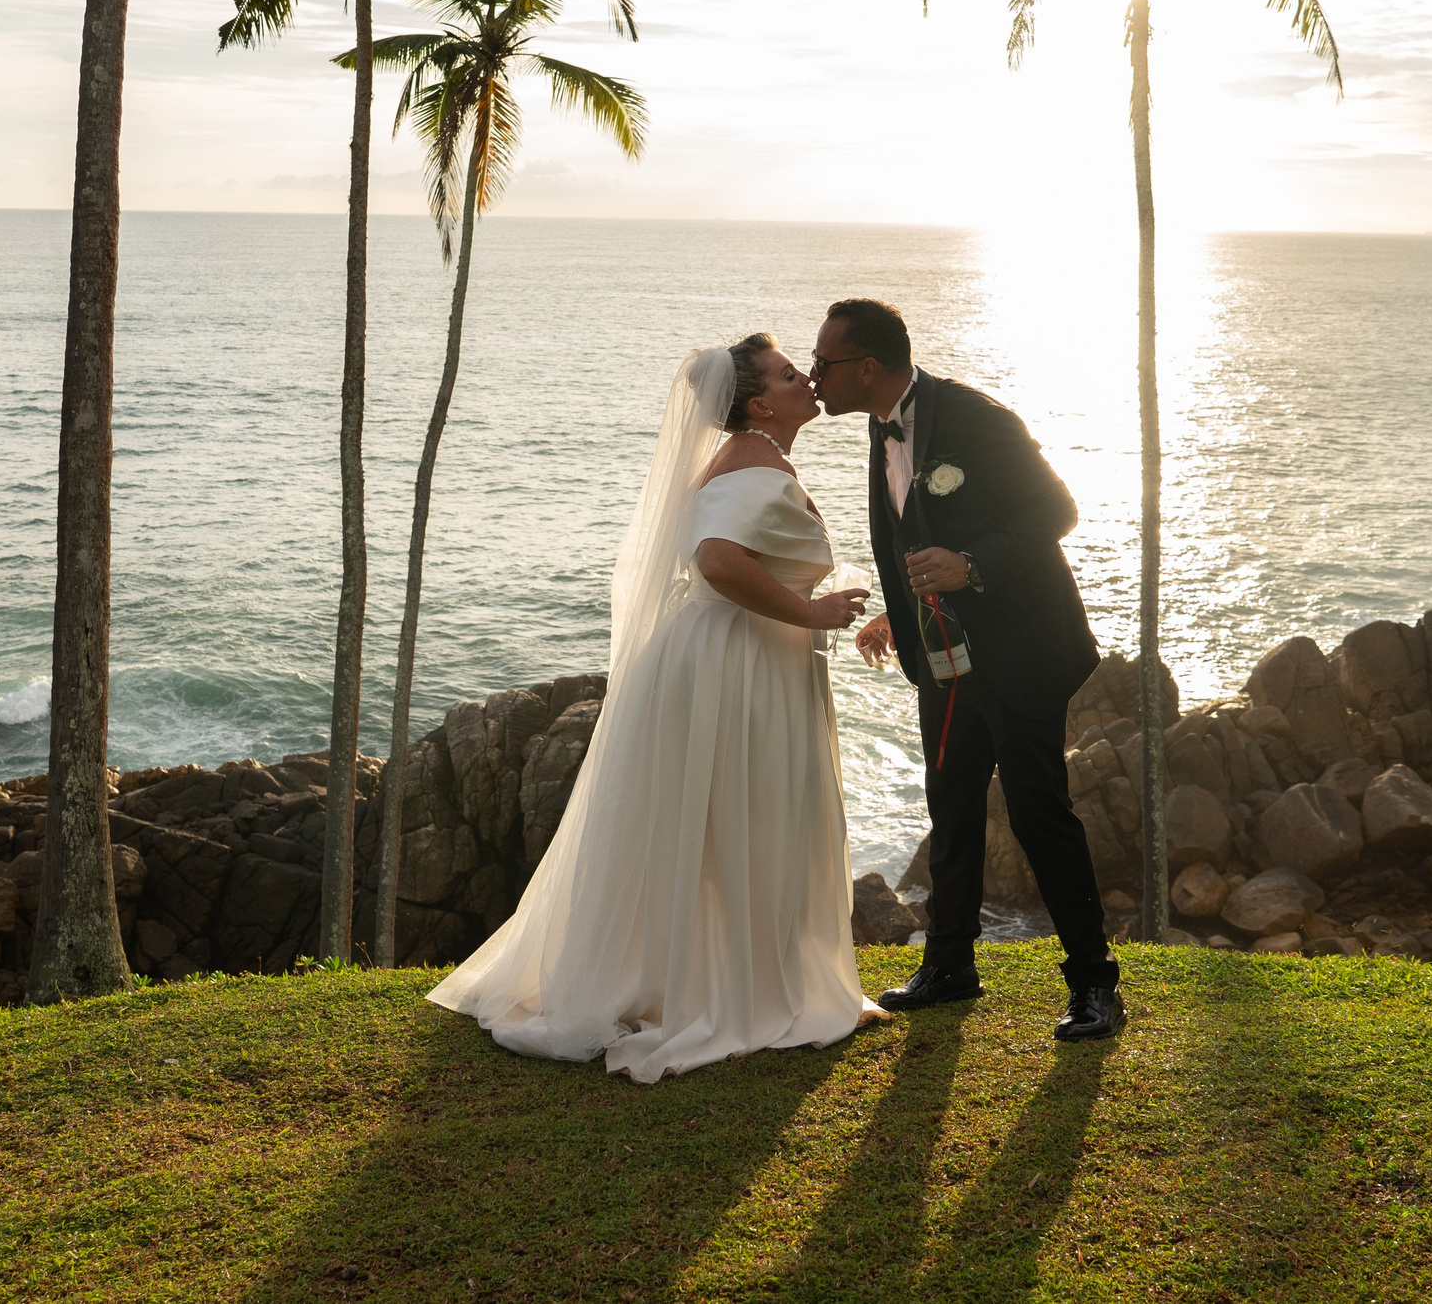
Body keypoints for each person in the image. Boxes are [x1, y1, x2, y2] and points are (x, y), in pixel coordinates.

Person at [428, 336, 880, 1082]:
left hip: (728, 654)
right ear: (761, 402)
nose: (809, 378)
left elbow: (745, 555)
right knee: (751, 813)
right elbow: (717, 559)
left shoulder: (748, 457)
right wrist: (813, 613)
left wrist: (835, 607)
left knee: (719, 818)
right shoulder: (758, 460)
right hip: (740, 663)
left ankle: (719, 977)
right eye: (792, 373)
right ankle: (740, 990)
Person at [809, 298, 1126, 1041]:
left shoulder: (973, 416)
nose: (814, 374)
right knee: (949, 805)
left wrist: (971, 565)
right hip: (944, 661)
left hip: (1019, 650)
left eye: (824, 363)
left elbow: (1058, 508)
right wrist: (899, 610)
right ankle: (950, 963)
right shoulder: (878, 426)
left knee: (1038, 812)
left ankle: (1094, 983)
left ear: (867, 366)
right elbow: (904, 541)